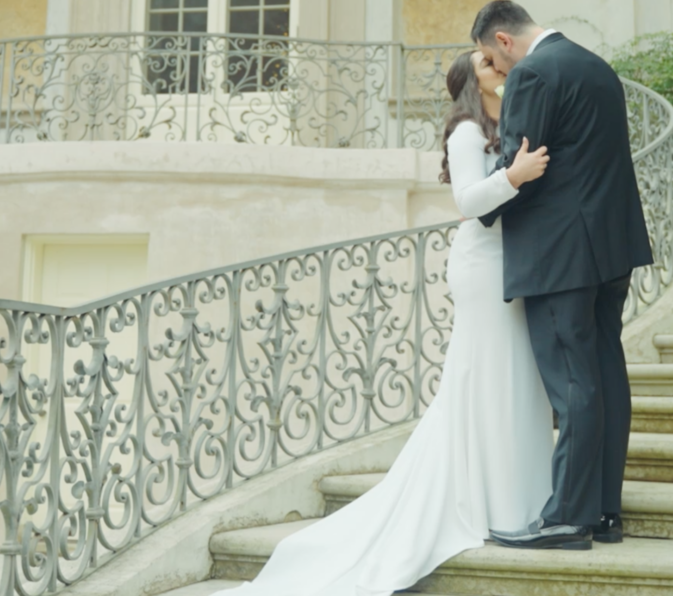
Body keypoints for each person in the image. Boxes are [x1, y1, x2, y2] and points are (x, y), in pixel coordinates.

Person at [218, 48, 559, 596]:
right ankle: (494, 501)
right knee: (489, 377)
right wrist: (515, 176)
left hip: (515, 261)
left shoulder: (505, 122)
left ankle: (523, 495)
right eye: (487, 65)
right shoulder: (468, 131)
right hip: (483, 266)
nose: (500, 67)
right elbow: (469, 200)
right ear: (472, 84)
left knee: (517, 377)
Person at [471, 0, 653, 551]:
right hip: (611, 247)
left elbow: (518, 164)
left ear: (503, 41)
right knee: (603, 373)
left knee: (573, 382)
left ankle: (567, 518)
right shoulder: (596, 65)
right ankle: (602, 512)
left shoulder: (531, 72)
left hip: (560, 255)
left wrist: (480, 202)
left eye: (490, 59)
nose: (497, 73)